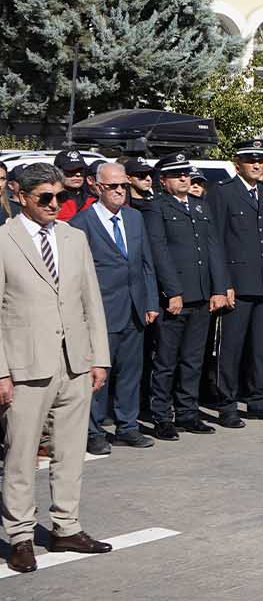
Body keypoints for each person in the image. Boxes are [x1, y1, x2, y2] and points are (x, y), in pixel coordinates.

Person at [1, 162, 114, 574]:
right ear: (21, 196)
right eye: (45, 197)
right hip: (26, 364)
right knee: (21, 453)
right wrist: (1, 371)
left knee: (70, 451)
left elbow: (91, 302)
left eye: (60, 196)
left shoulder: (74, 237)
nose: (55, 204)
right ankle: (20, 536)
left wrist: (98, 357)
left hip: (75, 363)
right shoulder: (4, 240)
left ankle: (66, 526)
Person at [70, 162, 159, 454]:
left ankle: (127, 426)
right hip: (101, 312)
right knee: (99, 376)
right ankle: (94, 430)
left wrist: (150, 301)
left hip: (134, 309)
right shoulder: (81, 224)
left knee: (131, 372)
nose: (120, 191)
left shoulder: (134, 218)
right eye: (113, 186)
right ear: (97, 187)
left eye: (123, 185)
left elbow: (146, 263)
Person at [143, 152, 228, 440]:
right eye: (177, 174)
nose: (184, 178)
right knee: (166, 360)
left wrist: (219, 288)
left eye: (187, 174)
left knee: (193, 359)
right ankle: (162, 416)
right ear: (163, 180)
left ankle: (188, 412)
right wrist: (173, 291)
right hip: (176, 297)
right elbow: (159, 250)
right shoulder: (157, 207)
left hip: (203, 294)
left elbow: (213, 248)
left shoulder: (201, 206)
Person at [210, 138, 263, 426]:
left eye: (261, 160)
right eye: (250, 160)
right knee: (231, 347)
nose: (257, 165)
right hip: (237, 285)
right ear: (237, 163)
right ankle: (227, 404)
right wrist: (223, 283)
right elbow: (215, 240)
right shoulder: (224, 193)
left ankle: (258, 399)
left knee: (259, 347)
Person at [55, 150, 96, 221]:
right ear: (58, 172)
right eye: (71, 170)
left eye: (81, 170)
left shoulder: (94, 201)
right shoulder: (50, 201)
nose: (78, 175)